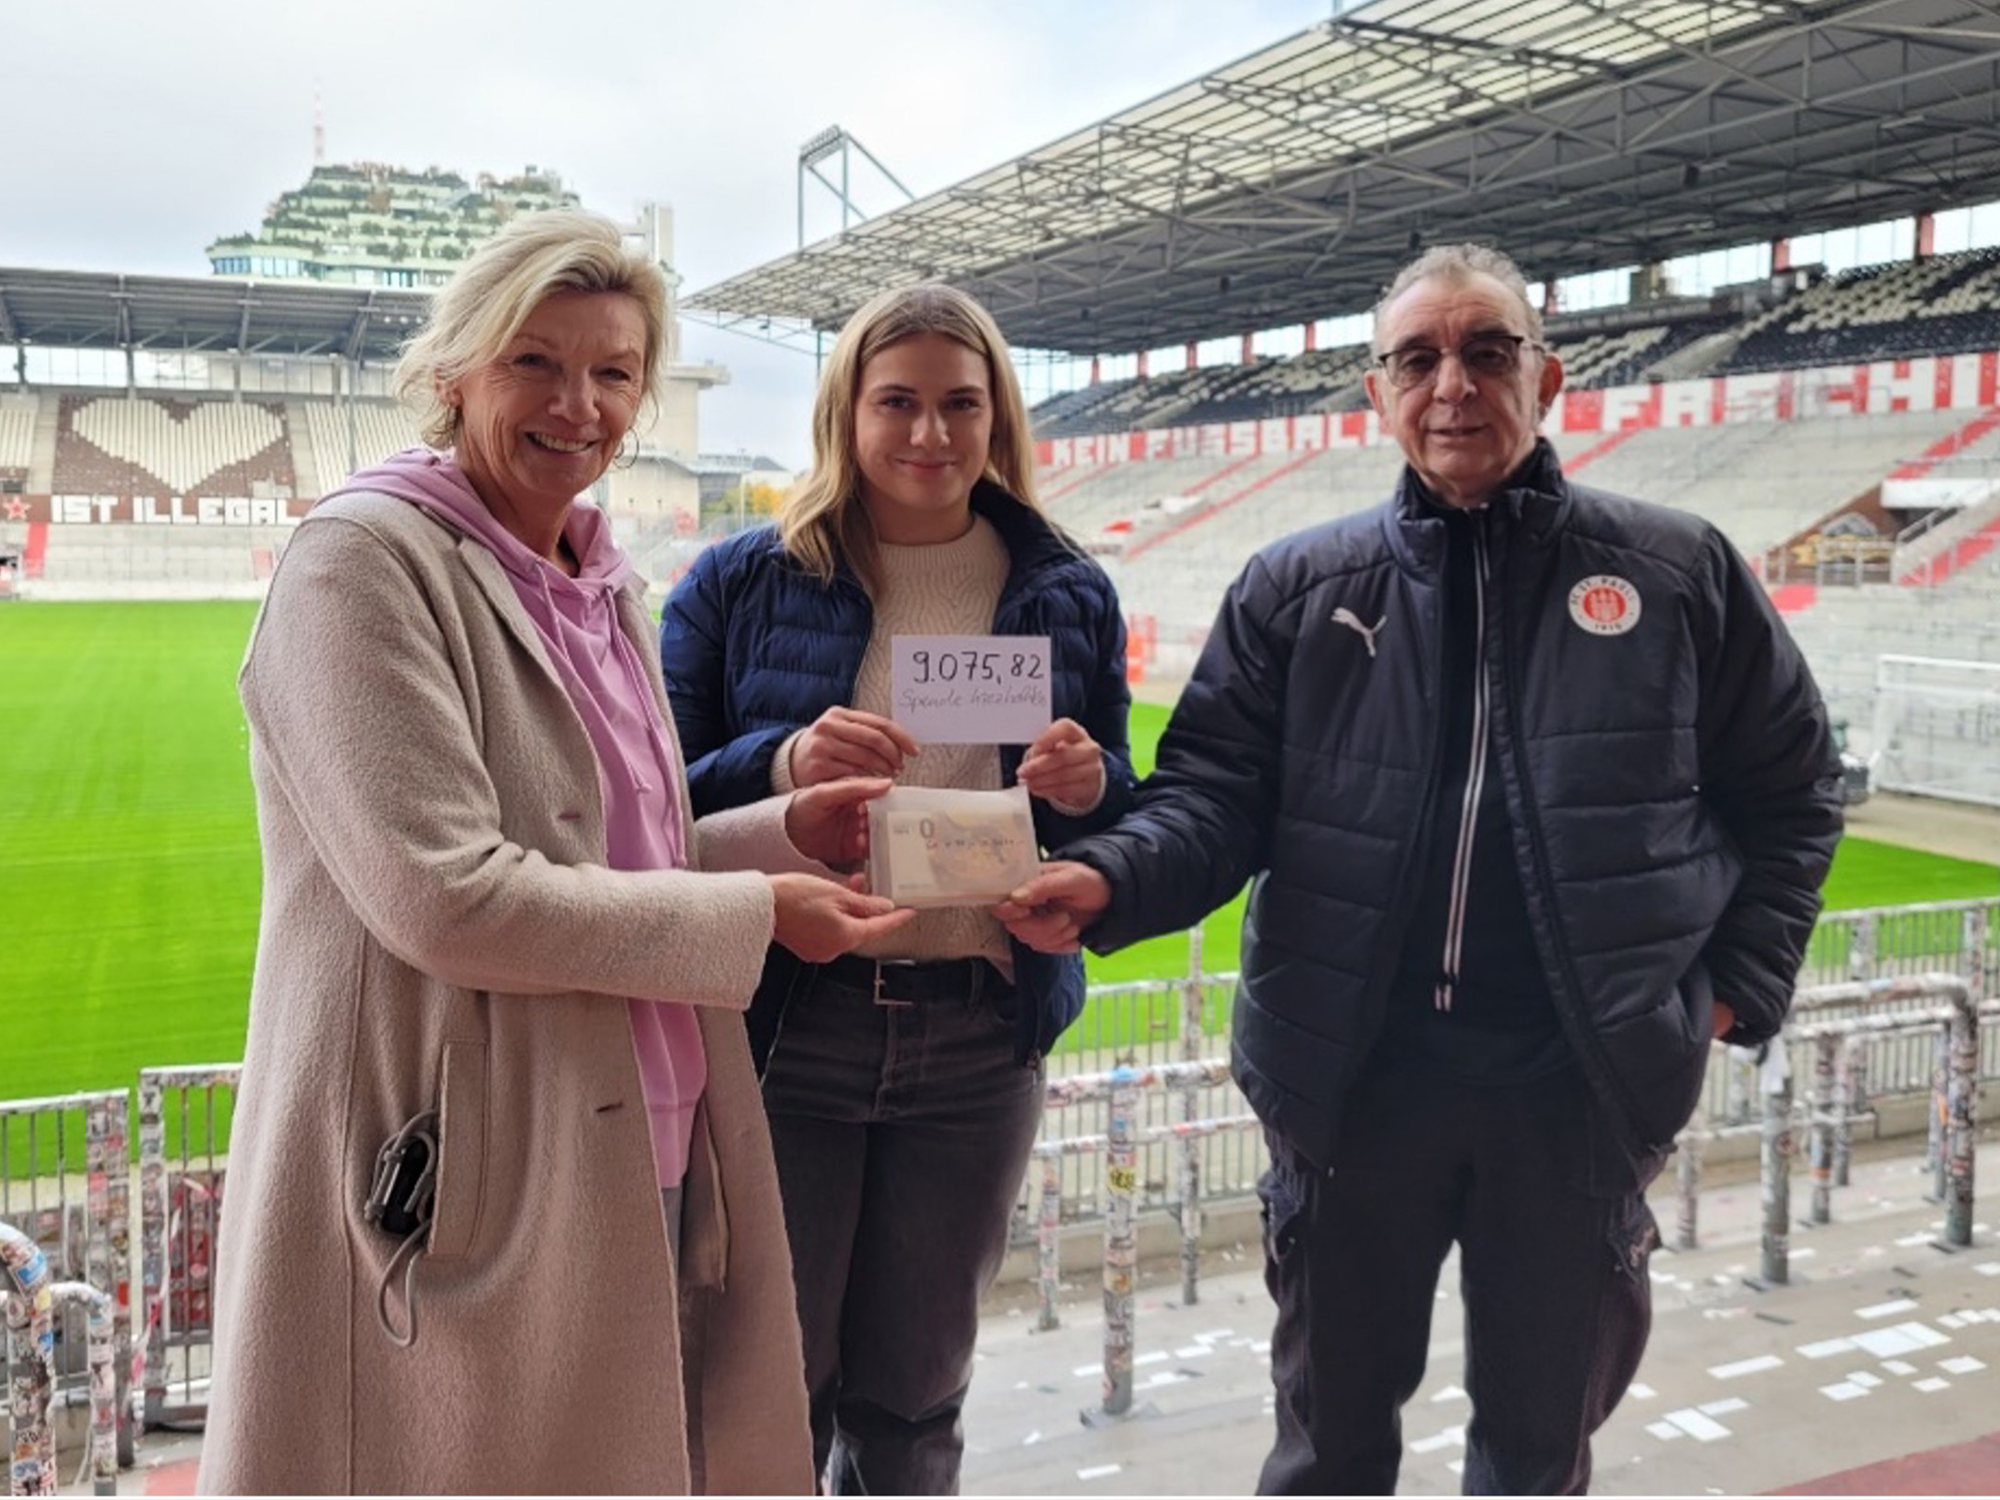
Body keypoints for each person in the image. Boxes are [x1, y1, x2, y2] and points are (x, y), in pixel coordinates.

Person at [1000, 243, 1845, 1495]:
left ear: (1546, 377)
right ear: (1376, 393)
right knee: (1326, 1450)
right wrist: (1115, 878)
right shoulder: (1295, 588)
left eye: (1486, 350)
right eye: (1418, 357)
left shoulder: (1675, 574)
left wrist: (1718, 1000)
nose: (1453, 383)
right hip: (1351, 1085)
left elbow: (1793, 794)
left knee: (1533, 1452)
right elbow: (1214, 798)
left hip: (1573, 1091)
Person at [198, 210, 913, 1496]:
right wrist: (755, 914)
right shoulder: (361, 563)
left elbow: (605, 849)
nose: (578, 404)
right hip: (467, 1152)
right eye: (535, 362)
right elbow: (449, 896)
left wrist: (770, 832)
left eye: (614, 373)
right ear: (454, 369)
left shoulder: (591, 572)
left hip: (629, 1132)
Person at [658, 284, 1135, 1494]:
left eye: (959, 405)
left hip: (978, 1035)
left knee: (917, 1402)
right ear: (846, 412)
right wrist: (778, 764)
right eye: (898, 403)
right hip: (790, 1029)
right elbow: (650, 800)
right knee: (768, 1394)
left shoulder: (1065, 588)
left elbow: (1114, 802)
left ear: (997, 416)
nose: (930, 435)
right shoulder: (738, 582)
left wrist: (1086, 787)